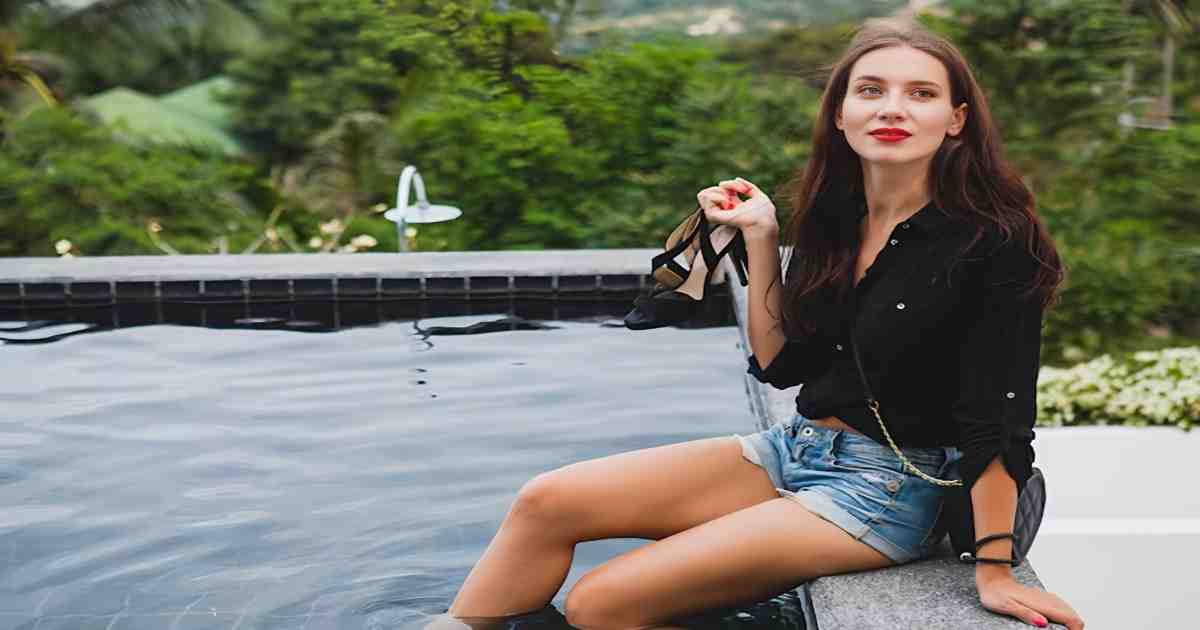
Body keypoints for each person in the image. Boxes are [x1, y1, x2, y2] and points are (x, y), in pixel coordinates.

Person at [439, 19, 1084, 630]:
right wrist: (762, 237)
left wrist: (995, 568)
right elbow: (781, 365)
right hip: (796, 448)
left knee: (599, 605)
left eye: (921, 94)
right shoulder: (838, 217)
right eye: (871, 91)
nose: (892, 109)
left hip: (888, 489)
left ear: (956, 119)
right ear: (840, 114)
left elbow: (999, 413)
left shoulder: (994, 241)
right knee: (546, 502)